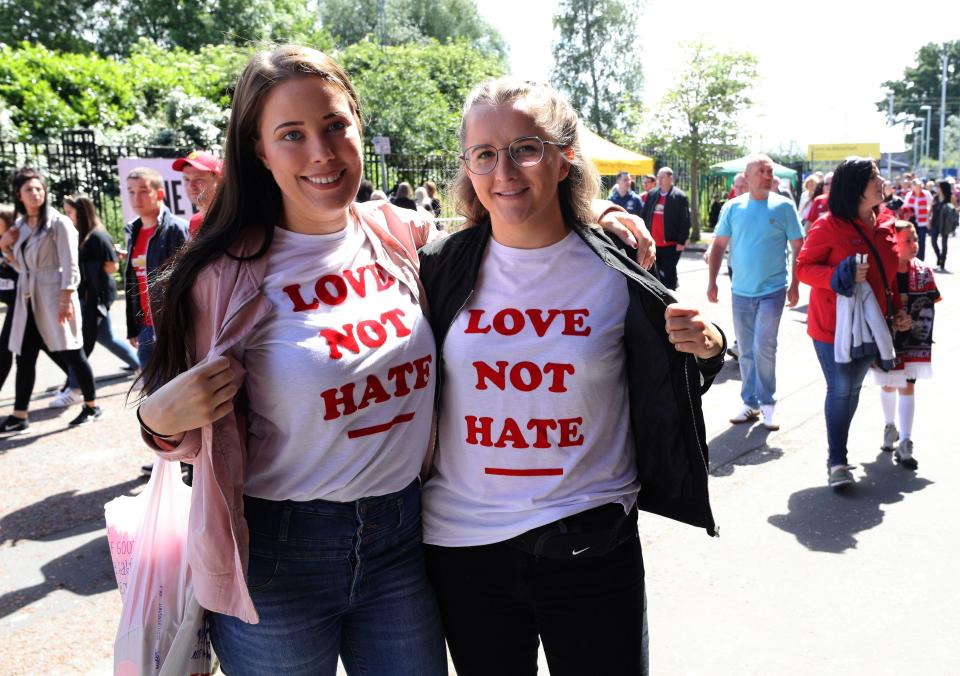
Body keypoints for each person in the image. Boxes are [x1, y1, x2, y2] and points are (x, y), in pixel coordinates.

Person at [133, 45, 653, 676]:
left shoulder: (398, 235)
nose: (321, 152)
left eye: (334, 126)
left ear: (357, 126)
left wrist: (596, 207)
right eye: (291, 135)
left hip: (402, 544)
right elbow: (186, 435)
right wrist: (156, 421)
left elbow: (514, 206)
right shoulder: (223, 276)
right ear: (258, 152)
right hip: (280, 558)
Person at [418, 77, 725, 676]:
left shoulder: (616, 270)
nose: (503, 170)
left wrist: (710, 347)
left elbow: (675, 365)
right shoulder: (439, 266)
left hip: (590, 541)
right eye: (484, 154)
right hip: (463, 546)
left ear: (564, 159)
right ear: (468, 168)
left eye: (525, 148)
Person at [796, 158, 911, 489]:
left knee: (852, 388)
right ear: (854, 187)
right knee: (841, 388)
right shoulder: (828, 226)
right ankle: (837, 461)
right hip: (832, 327)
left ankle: (838, 454)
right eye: (873, 177)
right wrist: (837, 275)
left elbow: (890, 279)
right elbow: (804, 268)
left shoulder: (887, 224)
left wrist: (898, 311)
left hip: (874, 326)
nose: (881, 181)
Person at [0, 168, 102, 433]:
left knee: (72, 351)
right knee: (25, 356)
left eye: (38, 188)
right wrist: (5, 247)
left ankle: (92, 405)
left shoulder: (58, 223)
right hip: (29, 299)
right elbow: (22, 268)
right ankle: (20, 415)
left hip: (55, 295)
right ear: (19, 196)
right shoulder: (20, 227)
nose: (35, 193)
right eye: (29, 190)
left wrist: (66, 298)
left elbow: (70, 264)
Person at [707, 154, 804, 431]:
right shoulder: (733, 207)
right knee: (746, 351)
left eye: (769, 171)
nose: (767, 175)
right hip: (741, 291)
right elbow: (718, 245)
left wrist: (795, 284)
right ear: (747, 177)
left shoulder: (784, 207)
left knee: (764, 345)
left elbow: (798, 247)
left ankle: (768, 404)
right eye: (761, 171)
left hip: (773, 290)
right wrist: (712, 281)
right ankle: (749, 402)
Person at [47, 195, 140, 408]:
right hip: (87, 296)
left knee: (79, 344)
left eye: (70, 212)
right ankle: (141, 366)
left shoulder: (97, 236)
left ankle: (74, 388)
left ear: (82, 211)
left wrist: (89, 268)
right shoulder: (79, 234)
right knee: (106, 338)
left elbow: (112, 267)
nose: (68, 216)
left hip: (95, 298)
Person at [873, 222, 940, 470]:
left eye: (915, 239)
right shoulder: (884, 272)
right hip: (888, 339)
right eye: (907, 241)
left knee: (908, 385)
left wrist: (911, 319)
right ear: (894, 244)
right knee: (890, 383)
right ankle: (890, 427)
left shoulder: (923, 271)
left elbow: (931, 302)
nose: (914, 245)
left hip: (913, 341)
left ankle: (905, 440)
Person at [123, 167, 189, 369]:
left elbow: (188, 280)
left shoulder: (177, 229)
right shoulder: (133, 231)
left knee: (178, 393)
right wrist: (134, 327)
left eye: (143, 191)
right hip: (146, 329)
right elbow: (133, 280)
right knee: (153, 396)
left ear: (159, 193)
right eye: (131, 192)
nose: (136, 198)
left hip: (172, 328)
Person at [639, 166, 690, 290]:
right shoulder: (652, 195)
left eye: (662, 177)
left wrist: (681, 241)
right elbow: (644, 216)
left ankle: (671, 297)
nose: (660, 180)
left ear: (670, 178)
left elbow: (685, 221)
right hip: (654, 243)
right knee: (655, 273)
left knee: (668, 273)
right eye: (658, 177)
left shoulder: (679, 197)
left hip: (671, 244)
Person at [172, 150, 223, 238]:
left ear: (218, 181)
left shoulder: (233, 217)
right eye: (187, 179)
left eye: (198, 179)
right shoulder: (195, 221)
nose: (191, 186)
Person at [903, 178, 933, 260]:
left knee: (922, 241)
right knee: (912, 241)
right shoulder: (909, 195)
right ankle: (912, 258)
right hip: (912, 222)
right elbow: (905, 207)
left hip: (923, 222)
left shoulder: (926, 194)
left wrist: (929, 217)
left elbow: (931, 205)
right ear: (913, 187)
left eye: (920, 186)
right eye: (917, 186)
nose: (919, 188)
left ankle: (921, 259)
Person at [930, 180, 957, 271]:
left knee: (944, 243)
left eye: (938, 186)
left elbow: (956, 208)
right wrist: (928, 221)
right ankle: (939, 257)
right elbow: (930, 209)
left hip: (945, 224)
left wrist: (951, 211)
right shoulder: (936, 197)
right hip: (935, 222)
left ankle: (942, 263)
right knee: (933, 241)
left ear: (942, 188)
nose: (937, 188)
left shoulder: (950, 197)